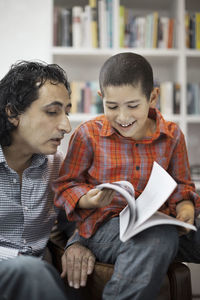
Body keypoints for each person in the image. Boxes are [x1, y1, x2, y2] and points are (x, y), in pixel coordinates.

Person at [53, 52, 200, 300]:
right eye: (112, 106)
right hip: (102, 228)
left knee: (162, 231)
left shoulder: (173, 135)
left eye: (133, 106)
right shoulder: (89, 134)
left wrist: (185, 210)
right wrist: (90, 199)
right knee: (157, 236)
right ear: (102, 99)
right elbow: (65, 186)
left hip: (161, 220)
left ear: (152, 97)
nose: (123, 117)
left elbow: (183, 187)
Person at [0, 60, 95, 300]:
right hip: (16, 275)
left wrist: (76, 243)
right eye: (52, 112)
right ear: (12, 113)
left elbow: (77, 220)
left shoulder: (58, 167)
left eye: (66, 112)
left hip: (39, 280)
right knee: (29, 270)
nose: (66, 125)